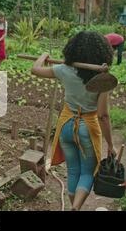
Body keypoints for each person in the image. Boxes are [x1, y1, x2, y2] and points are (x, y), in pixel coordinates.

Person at [31, 31, 117, 211]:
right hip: (88, 127)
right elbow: (103, 115)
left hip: (66, 125)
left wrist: (43, 56)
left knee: (73, 171)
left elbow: (35, 69)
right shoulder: (102, 79)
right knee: (87, 172)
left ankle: (74, 207)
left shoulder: (64, 70)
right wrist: (110, 144)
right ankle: (76, 207)